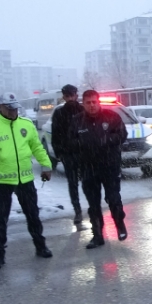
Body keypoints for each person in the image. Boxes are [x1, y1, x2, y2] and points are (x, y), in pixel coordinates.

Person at [0, 92, 53, 270]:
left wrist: (46, 166)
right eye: (9, 108)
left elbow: (36, 147)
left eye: (15, 108)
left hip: (25, 178)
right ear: (0, 108)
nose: (13, 112)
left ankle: (41, 246)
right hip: (2, 181)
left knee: (33, 215)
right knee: (0, 218)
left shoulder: (26, 124)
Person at [70, 90, 128, 249]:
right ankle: (97, 235)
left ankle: (120, 224)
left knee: (113, 199)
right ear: (83, 104)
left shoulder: (112, 117)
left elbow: (122, 134)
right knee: (93, 204)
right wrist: (83, 147)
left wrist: (106, 140)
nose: (92, 105)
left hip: (110, 166)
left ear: (98, 102)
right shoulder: (77, 121)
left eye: (94, 102)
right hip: (88, 168)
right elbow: (71, 142)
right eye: (88, 103)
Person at [52, 84, 85, 224]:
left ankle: (94, 207)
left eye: (72, 95)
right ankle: (77, 210)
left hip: (85, 154)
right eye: (67, 96)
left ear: (76, 95)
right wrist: (60, 153)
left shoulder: (84, 110)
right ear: (64, 97)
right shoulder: (59, 113)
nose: (70, 98)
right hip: (69, 154)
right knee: (73, 184)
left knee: (90, 182)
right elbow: (56, 135)